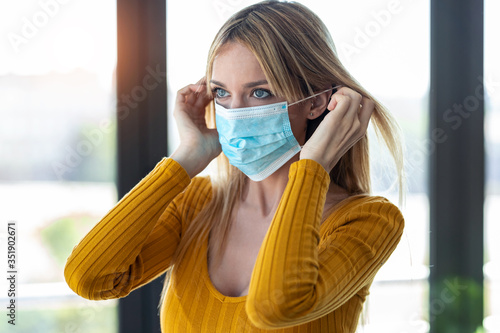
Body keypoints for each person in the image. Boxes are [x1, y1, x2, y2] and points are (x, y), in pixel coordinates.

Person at [64, 1, 405, 332]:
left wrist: (313, 166)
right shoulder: (195, 204)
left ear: (316, 102)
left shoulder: (368, 220)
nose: (235, 113)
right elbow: (89, 278)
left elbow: (276, 305)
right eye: (222, 93)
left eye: (260, 93)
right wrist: (186, 158)